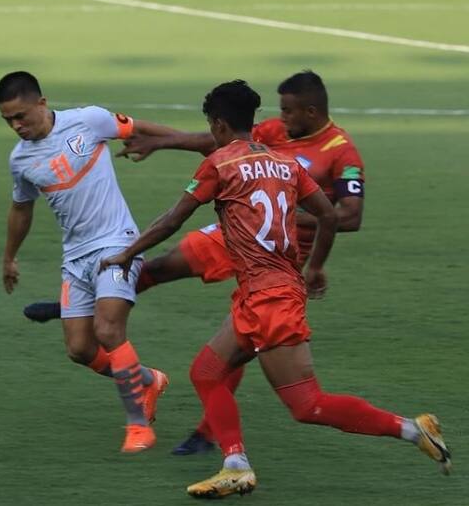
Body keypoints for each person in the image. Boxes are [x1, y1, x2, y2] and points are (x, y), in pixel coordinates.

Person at [99, 80, 451, 497]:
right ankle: (235, 464)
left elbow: (172, 219)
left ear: (218, 124)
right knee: (206, 372)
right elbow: (329, 215)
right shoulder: (286, 163)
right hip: (268, 289)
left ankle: (412, 430)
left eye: (211, 126)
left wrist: (127, 254)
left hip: (269, 298)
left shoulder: (221, 163)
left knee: (307, 404)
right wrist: (315, 266)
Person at [23, 71, 367, 454]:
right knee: (161, 266)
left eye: (289, 111)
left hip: (276, 254)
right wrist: (161, 142)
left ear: (312, 111)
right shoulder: (272, 130)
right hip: (232, 231)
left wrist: (277, 213)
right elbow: (219, 143)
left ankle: (209, 433)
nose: (281, 118)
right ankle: (84, 304)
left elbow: (349, 216)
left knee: (243, 336)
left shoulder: (341, 151)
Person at [0, 71, 173, 453]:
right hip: (75, 256)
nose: (16, 126)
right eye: (8, 120)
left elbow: (138, 128)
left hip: (118, 242)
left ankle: (138, 425)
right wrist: (9, 257)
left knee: (108, 329)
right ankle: (148, 380)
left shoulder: (88, 121)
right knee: (79, 348)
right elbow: (21, 209)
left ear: (42, 103)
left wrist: (200, 144)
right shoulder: (21, 160)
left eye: (21, 116)